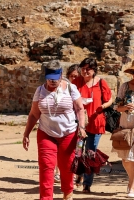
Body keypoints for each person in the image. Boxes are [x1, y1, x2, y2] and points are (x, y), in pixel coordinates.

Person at [22, 60, 86, 200]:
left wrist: (81, 127)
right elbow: (34, 114)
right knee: (46, 166)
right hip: (46, 133)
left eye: (55, 79)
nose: (52, 82)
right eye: (49, 79)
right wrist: (26, 133)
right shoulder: (40, 91)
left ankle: (68, 193)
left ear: (61, 75)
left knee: (67, 166)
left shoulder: (70, 88)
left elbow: (80, 109)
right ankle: (45, 198)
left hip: (68, 133)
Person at [72, 57, 112, 193]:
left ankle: (87, 184)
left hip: (95, 122)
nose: (84, 71)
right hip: (79, 123)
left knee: (90, 153)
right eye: (82, 68)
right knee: (77, 152)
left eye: (87, 69)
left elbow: (109, 100)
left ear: (94, 70)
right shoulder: (76, 82)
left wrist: (102, 106)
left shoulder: (101, 83)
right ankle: (78, 176)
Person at [112, 60, 134, 198]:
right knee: (125, 160)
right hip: (125, 127)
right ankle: (131, 181)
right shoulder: (125, 86)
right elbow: (116, 106)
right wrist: (125, 107)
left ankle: (132, 188)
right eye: (133, 72)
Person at [54, 63, 80, 184]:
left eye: (76, 76)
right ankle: (59, 172)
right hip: (65, 122)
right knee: (61, 150)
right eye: (72, 76)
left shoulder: (80, 87)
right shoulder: (64, 87)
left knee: (76, 151)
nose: (74, 78)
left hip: (79, 122)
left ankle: (74, 174)